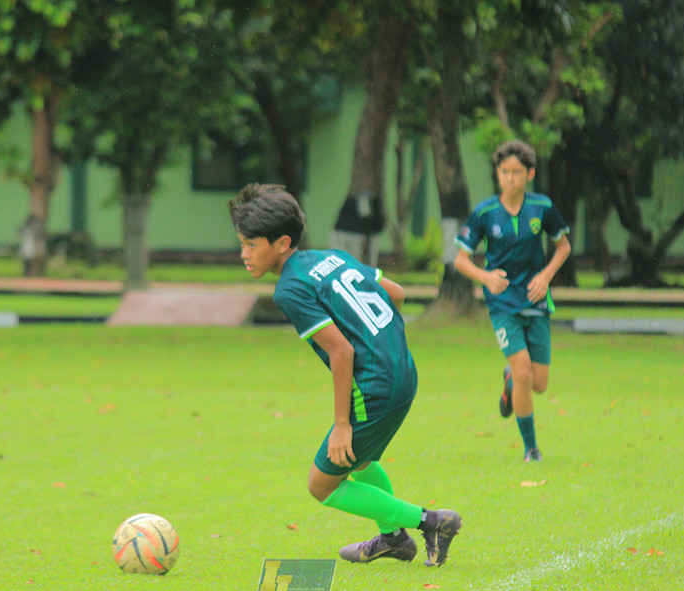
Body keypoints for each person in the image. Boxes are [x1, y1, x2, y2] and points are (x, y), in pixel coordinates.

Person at [230, 183, 461, 566]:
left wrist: (342, 424)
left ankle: (432, 522)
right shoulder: (333, 257)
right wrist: (379, 340)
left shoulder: (290, 289)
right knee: (362, 461)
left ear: (282, 243)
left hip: (375, 386)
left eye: (251, 245)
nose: (244, 254)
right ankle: (393, 539)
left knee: (321, 484)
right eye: (242, 244)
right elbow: (397, 293)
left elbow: (342, 351)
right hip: (403, 372)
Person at [453, 139, 570, 462]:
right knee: (523, 372)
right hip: (502, 303)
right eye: (504, 171)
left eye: (517, 172)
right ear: (498, 173)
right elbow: (461, 261)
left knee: (539, 383)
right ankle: (531, 449)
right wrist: (486, 278)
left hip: (536, 300)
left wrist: (545, 276)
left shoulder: (542, 207)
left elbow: (563, 247)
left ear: (529, 174)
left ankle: (509, 383)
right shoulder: (485, 212)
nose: (510, 178)